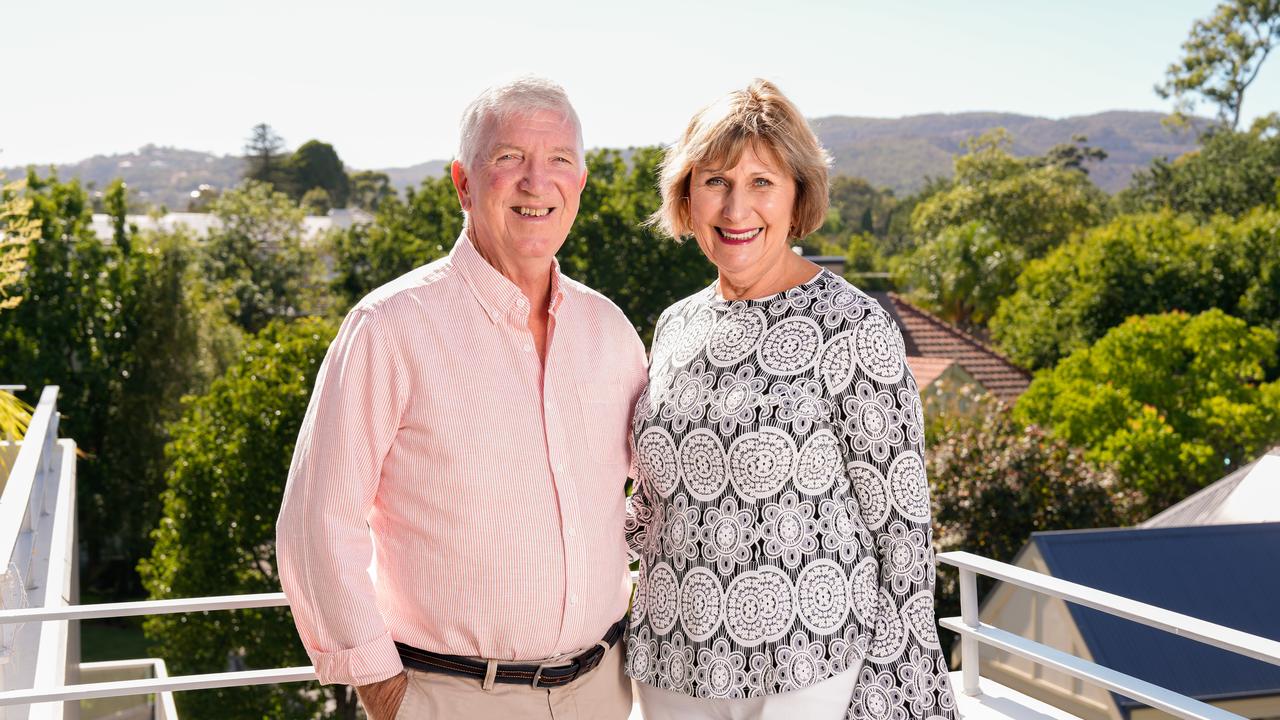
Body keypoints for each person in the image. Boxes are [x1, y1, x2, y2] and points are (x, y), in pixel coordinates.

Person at [276, 77, 646, 720]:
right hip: (451, 700)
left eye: (558, 160)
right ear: (463, 184)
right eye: (509, 160)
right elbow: (316, 530)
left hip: (605, 694)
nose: (537, 182)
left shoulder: (610, 331)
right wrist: (391, 697)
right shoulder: (390, 328)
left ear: (580, 184)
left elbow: (654, 497)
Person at [623, 80, 959, 720]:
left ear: (798, 195)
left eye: (762, 183)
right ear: (686, 197)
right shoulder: (674, 326)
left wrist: (906, 685)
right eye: (715, 181)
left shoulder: (851, 325)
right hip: (668, 663)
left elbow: (902, 527)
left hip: (808, 667)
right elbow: (652, 502)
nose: (735, 207)